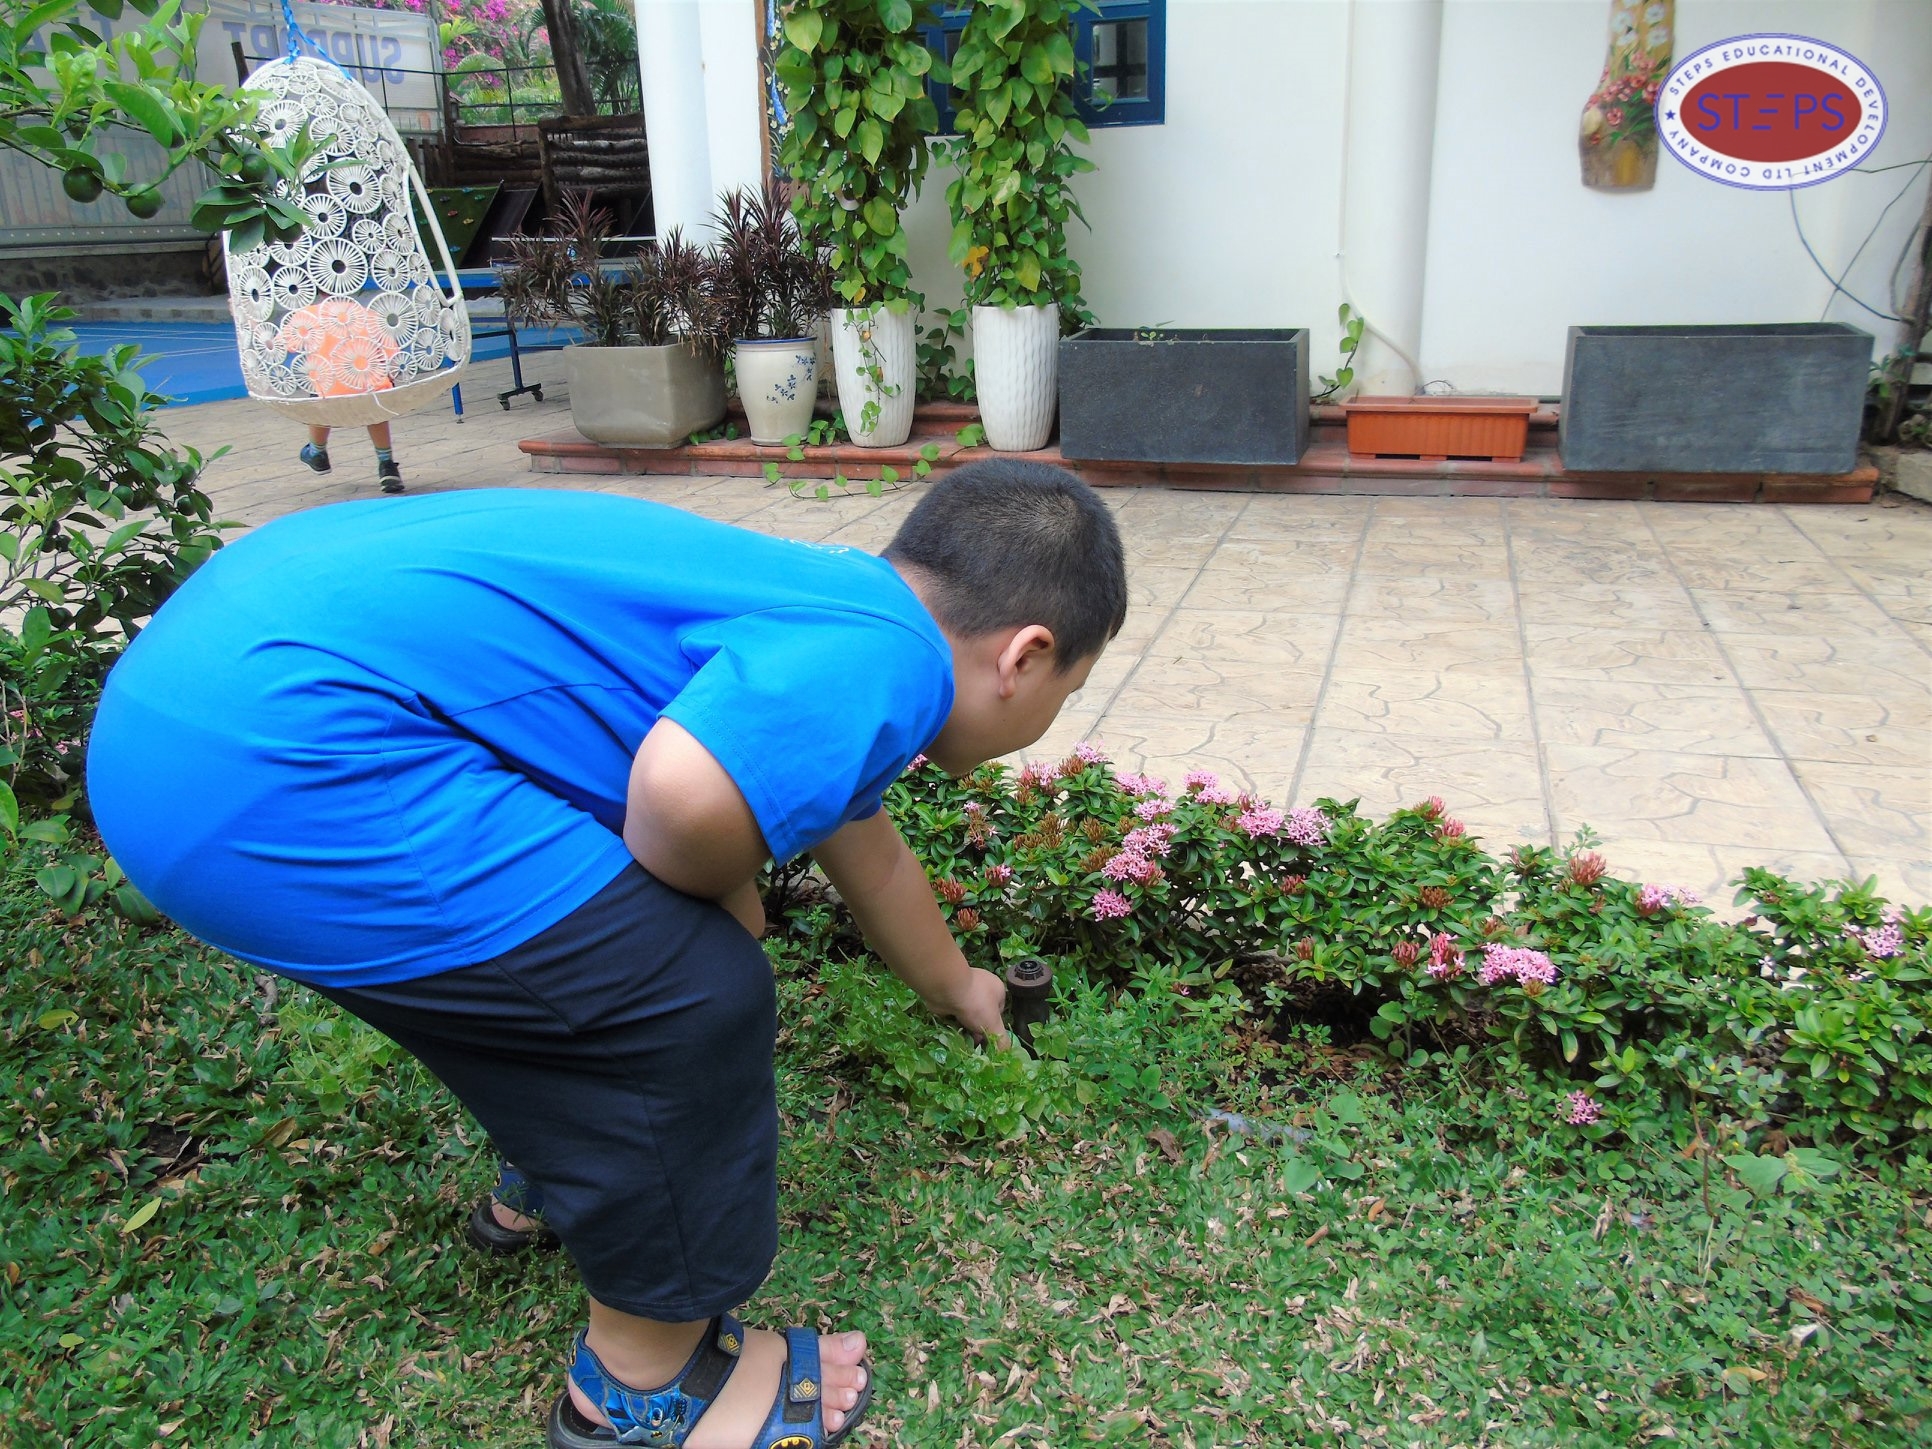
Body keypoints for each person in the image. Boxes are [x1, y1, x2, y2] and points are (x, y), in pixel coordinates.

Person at [85, 460, 1128, 1448]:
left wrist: (956, 984)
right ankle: (646, 1384)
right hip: (283, 763)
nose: (1050, 717)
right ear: (1025, 655)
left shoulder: (834, 609)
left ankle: (554, 1176)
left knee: (575, 965)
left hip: (185, 706)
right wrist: (723, 901)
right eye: (1067, 696)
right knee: (685, 994)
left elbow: (867, 847)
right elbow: (680, 799)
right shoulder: (888, 663)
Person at [275, 297, 406, 493]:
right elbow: (393, 356)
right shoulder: (369, 315)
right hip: (371, 393)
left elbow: (280, 345)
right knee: (374, 395)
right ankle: (386, 464)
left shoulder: (307, 315)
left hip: (330, 393)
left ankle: (317, 452)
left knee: (319, 395)